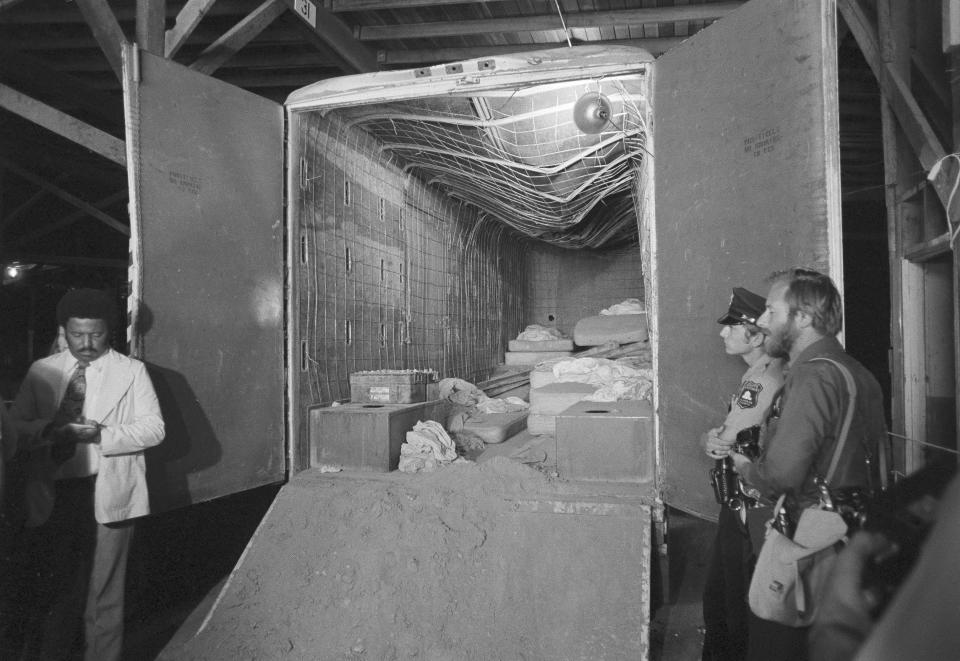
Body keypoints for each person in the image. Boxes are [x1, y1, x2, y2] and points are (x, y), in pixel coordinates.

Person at [730, 268, 887, 661]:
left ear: (801, 317)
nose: (763, 322)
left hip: (811, 541)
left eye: (770, 311)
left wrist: (746, 467)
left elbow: (781, 474)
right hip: (854, 536)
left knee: (777, 643)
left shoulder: (812, 376)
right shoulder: (857, 372)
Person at [2, 288, 165, 661]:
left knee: (104, 591)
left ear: (110, 331)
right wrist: (49, 430)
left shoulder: (132, 371)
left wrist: (102, 435)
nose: (87, 344)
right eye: (78, 335)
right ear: (63, 331)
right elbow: (16, 425)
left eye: (96, 334)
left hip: (107, 490)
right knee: (59, 588)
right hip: (56, 492)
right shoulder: (43, 370)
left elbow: (155, 429)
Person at [701, 287, 785, 661]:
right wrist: (713, 437)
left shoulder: (762, 378)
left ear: (755, 333)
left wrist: (713, 437)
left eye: (731, 325)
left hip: (749, 507)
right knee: (723, 598)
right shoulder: (762, 371)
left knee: (733, 604)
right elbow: (729, 435)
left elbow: (730, 437)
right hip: (748, 504)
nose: (723, 332)